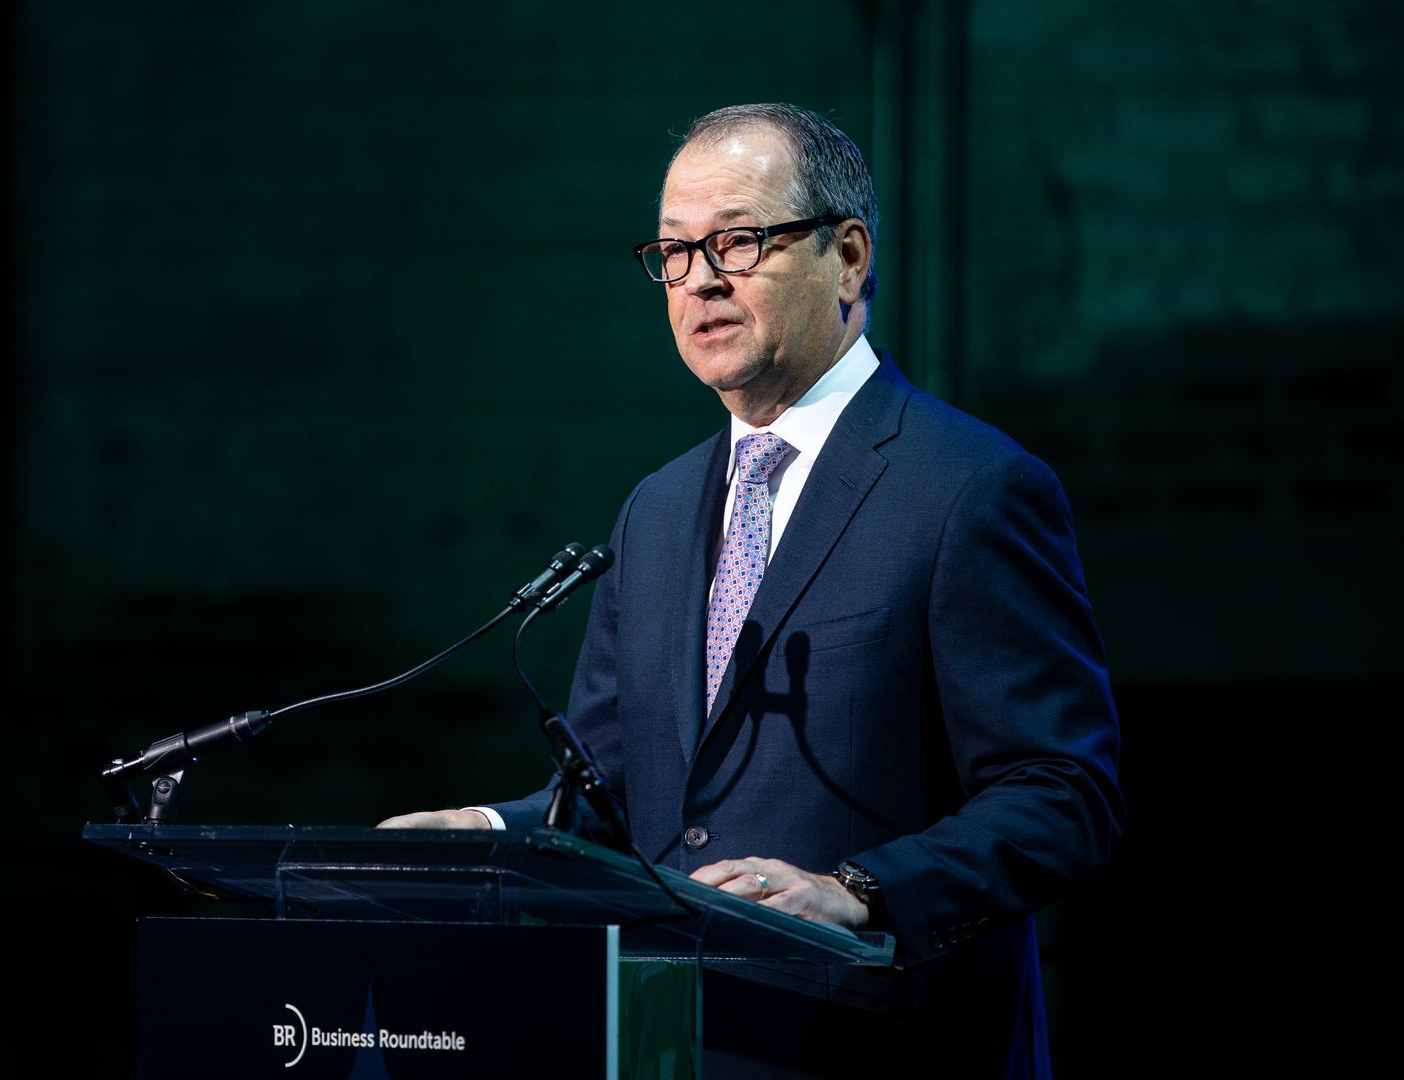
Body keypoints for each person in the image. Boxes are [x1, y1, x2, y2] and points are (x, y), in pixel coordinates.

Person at [379, 103, 1122, 1078]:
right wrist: (488, 835)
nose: (702, 281)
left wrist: (858, 890)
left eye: (737, 240)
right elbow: (611, 799)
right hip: (668, 1045)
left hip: (885, 1048)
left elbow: (1064, 793)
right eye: (675, 253)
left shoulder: (969, 489)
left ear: (848, 257)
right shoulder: (656, 510)